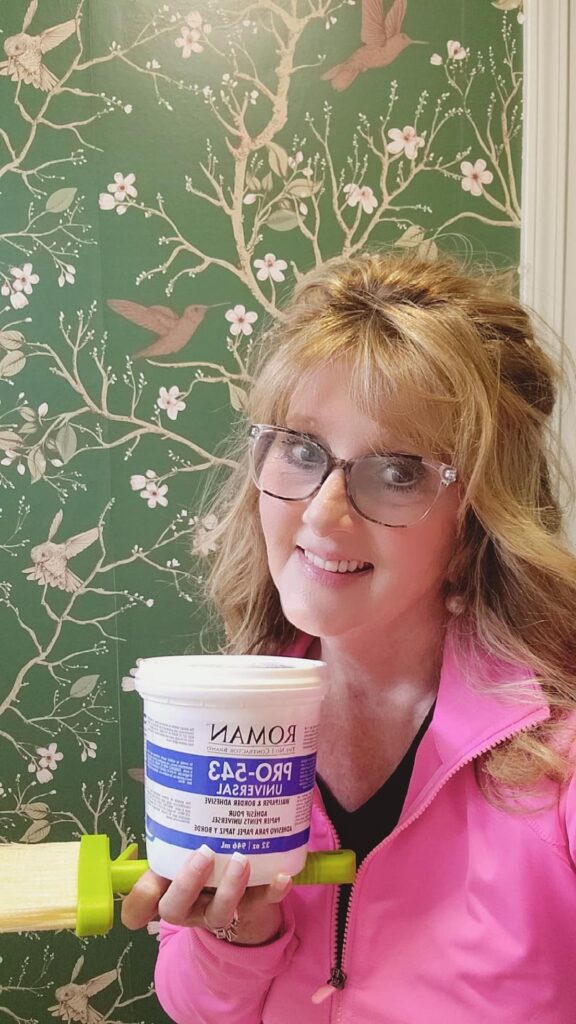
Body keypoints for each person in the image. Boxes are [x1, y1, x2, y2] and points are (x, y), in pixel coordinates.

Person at [122, 249, 576, 1023]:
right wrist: (240, 932)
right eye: (303, 450)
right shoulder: (235, 720)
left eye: (397, 471)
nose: (322, 514)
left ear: (477, 518)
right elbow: (192, 1003)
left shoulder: (556, 761)